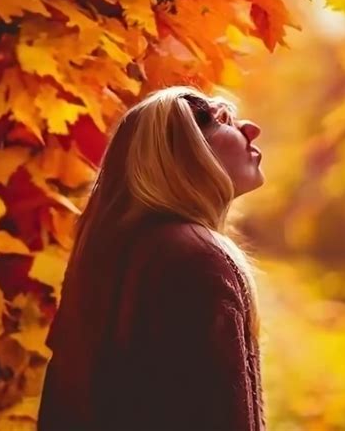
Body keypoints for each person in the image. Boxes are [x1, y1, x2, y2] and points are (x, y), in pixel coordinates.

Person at [37, 85, 266, 431]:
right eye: (221, 121)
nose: (251, 129)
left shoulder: (115, 253)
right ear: (178, 152)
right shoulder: (197, 258)